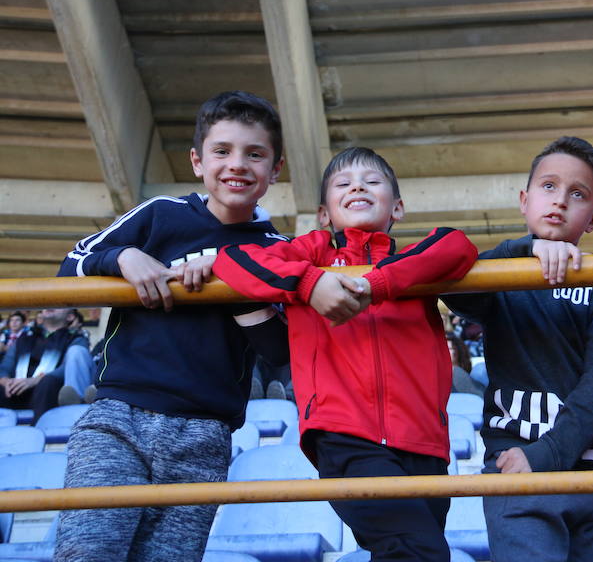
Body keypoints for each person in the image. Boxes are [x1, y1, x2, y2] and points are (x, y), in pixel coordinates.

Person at [53, 91, 291, 562]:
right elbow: (68, 268)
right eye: (222, 151)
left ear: (275, 170)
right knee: (88, 553)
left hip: (204, 434)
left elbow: (281, 352)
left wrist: (232, 278)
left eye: (254, 153)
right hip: (119, 417)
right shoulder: (159, 214)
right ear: (198, 161)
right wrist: (121, 256)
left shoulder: (277, 248)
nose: (237, 164)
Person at [214, 146, 478, 562]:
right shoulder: (313, 255)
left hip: (424, 441)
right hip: (343, 435)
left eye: (372, 181)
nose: (357, 186)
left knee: (404, 551)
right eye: (343, 183)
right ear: (324, 214)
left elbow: (458, 245)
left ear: (399, 208)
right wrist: (309, 285)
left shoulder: (414, 263)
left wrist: (378, 283)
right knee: (418, 551)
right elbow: (233, 261)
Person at [442, 136, 593, 562]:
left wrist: (547, 455)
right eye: (548, 187)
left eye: (577, 193)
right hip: (517, 468)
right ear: (524, 200)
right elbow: (454, 288)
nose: (560, 201)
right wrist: (522, 250)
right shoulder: (499, 277)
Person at [0, 308, 93, 421]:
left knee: (48, 382)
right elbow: (6, 365)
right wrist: (6, 381)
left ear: (70, 316)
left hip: (48, 391)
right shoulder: (24, 338)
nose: (50, 306)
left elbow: (68, 368)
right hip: (15, 389)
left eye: (58, 304)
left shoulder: (76, 339)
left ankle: (37, 432)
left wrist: (34, 380)